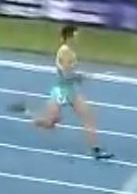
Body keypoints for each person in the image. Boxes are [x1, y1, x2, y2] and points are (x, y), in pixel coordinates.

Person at [11, 26, 114, 161]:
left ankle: (96, 150)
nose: (77, 39)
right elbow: (66, 75)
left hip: (71, 90)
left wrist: (78, 77)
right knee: (49, 123)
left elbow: (69, 75)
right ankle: (27, 111)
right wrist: (80, 77)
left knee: (88, 117)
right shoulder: (65, 52)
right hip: (60, 91)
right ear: (69, 37)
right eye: (75, 36)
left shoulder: (70, 51)